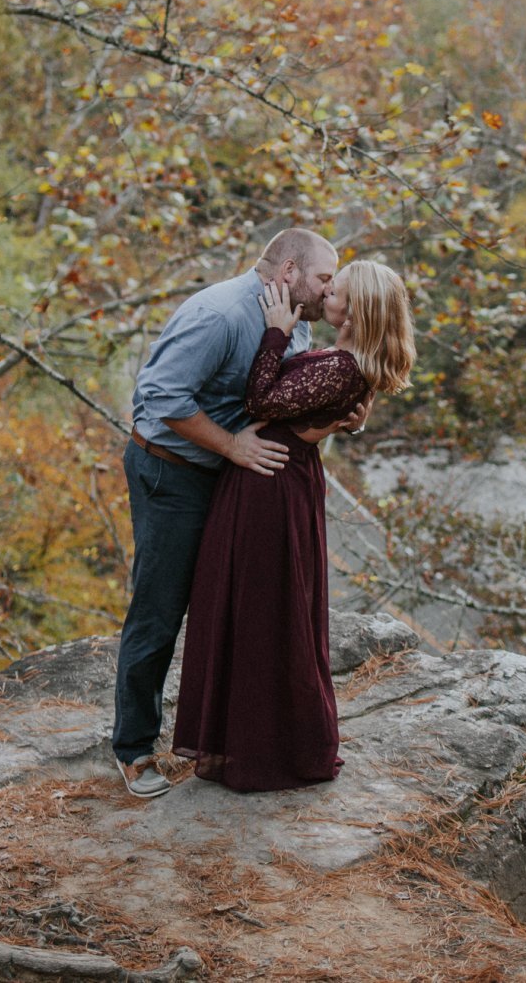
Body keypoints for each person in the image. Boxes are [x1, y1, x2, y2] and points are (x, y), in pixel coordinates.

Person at [113, 228, 368, 798]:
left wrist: (339, 416)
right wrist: (231, 446)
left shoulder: (293, 319)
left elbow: (292, 389)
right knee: (160, 606)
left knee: (225, 605)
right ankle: (133, 751)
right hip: (172, 473)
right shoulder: (220, 315)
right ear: (290, 274)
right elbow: (160, 397)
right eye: (325, 278)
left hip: (229, 480)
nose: (330, 291)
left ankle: (225, 735)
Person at [171, 259, 414, 792]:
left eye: (337, 290)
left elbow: (260, 400)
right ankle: (247, 737)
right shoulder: (346, 360)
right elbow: (316, 398)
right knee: (258, 606)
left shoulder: (343, 366)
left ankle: (268, 749)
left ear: (356, 309)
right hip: (274, 476)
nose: (327, 293)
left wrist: (275, 335)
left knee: (263, 612)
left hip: (271, 486)